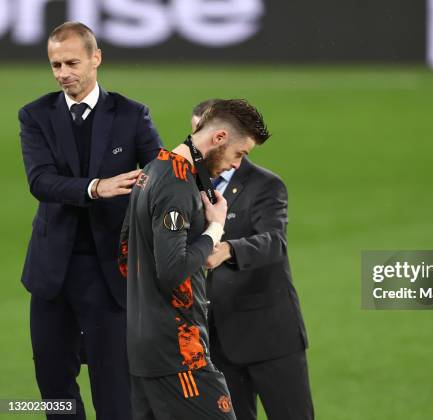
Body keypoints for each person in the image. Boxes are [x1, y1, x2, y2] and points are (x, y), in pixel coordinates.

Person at [18, 21, 162, 419]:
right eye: (55, 65)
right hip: (53, 275)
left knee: (115, 392)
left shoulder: (132, 115)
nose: (63, 73)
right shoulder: (35, 116)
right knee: (54, 390)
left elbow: (159, 175)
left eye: (71, 63)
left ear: (96, 58)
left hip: (110, 276)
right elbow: (41, 181)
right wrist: (96, 187)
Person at [119, 99, 270, 419]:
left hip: (144, 349)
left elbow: (124, 256)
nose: (236, 165)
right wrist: (215, 229)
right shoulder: (177, 185)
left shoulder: (152, 170)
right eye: (239, 153)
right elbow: (172, 271)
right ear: (219, 139)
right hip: (179, 354)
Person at [192, 100, 313, 420]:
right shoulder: (185, 184)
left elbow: (275, 241)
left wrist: (228, 249)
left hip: (270, 336)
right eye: (194, 134)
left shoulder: (266, 185)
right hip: (215, 338)